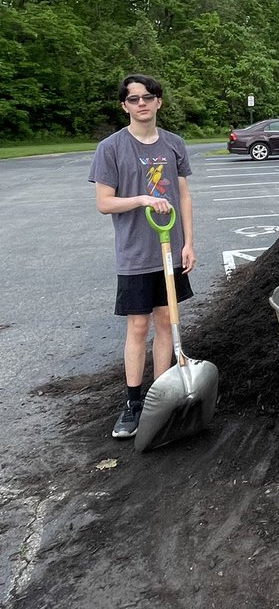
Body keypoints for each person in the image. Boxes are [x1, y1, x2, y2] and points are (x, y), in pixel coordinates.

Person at [88, 74, 195, 439]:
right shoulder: (111, 148)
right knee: (138, 326)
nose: (141, 104)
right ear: (125, 106)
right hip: (135, 252)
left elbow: (184, 196)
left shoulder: (174, 144)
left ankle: (159, 395)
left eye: (148, 97)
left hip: (170, 250)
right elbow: (104, 203)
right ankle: (133, 403)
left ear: (158, 101)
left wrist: (189, 243)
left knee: (166, 320)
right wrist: (143, 199)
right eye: (133, 99)